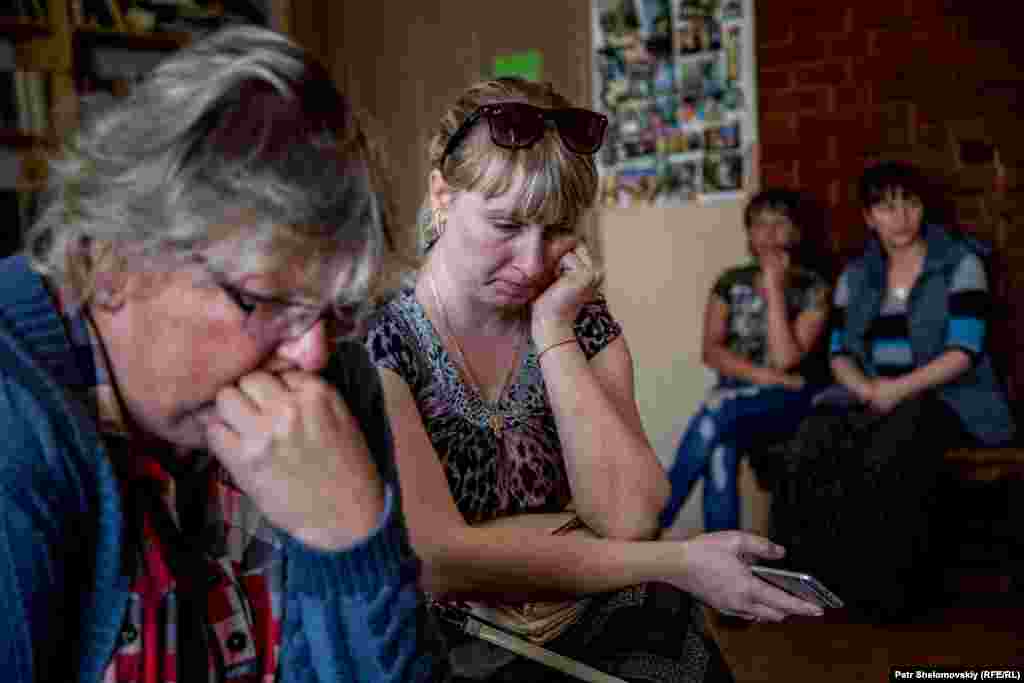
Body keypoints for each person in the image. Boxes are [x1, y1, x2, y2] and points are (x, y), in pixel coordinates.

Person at [0, 26, 446, 681]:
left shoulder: (334, 380)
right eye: (266, 299)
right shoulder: (15, 418)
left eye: (335, 311)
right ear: (120, 256)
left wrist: (351, 543)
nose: (314, 351)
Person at [365, 76, 824, 682]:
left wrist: (553, 329)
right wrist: (671, 562)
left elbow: (629, 516)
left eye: (557, 230)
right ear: (443, 194)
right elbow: (440, 558)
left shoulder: (581, 322)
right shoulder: (379, 338)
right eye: (506, 226)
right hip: (451, 652)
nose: (532, 263)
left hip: (604, 625)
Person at [766, 161, 1015, 621]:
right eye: (885, 207)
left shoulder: (961, 263)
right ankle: (806, 589)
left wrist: (896, 391)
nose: (899, 218)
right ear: (868, 217)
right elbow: (838, 351)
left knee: (893, 443)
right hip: (870, 394)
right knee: (809, 442)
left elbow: (964, 350)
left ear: (924, 210)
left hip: (946, 396)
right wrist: (864, 388)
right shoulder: (857, 275)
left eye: (909, 205)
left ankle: (883, 597)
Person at [660, 189, 830, 533]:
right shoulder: (730, 282)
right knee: (720, 446)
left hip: (789, 399)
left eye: (779, 223)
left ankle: (653, 522)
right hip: (745, 391)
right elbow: (712, 351)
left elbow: (786, 360)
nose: (768, 233)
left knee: (716, 410)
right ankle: (726, 560)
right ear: (749, 232)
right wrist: (767, 377)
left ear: (795, 231)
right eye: (759, 224)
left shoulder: (814, 287)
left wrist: (774, 290)